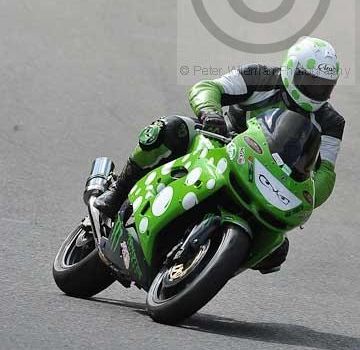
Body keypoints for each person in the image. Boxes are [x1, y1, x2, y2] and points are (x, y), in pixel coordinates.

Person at [95, 37, 345, 273]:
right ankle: (117, 193)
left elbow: (325, 173)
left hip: (269, 180)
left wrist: (309, 194)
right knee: (169, 130)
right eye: (310, 81)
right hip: (220, 145)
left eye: (324, 86)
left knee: (276, 250)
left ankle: (213, 263)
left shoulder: (331, 122)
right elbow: (208, 87)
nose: (316, 91)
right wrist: (210, 112)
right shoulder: (259, 77)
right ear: (291, 69)